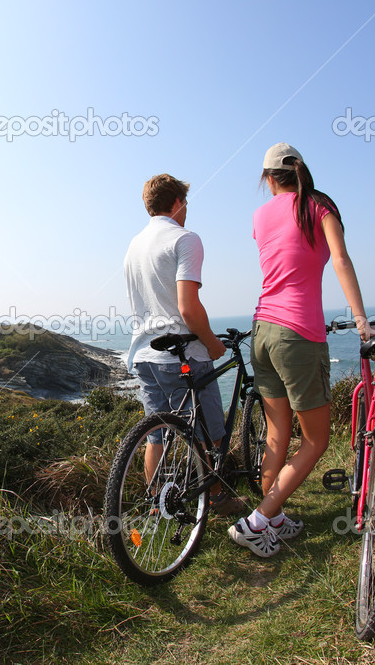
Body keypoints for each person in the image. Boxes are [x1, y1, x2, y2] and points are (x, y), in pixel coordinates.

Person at [228, 143, 375, 557]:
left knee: (277, 432)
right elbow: (341, 260)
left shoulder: (260, 216)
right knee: (316, 440)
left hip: (262, 330)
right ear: (299, 170)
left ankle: (273, 519)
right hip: (298, 333)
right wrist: (363, 322)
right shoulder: (318, 205)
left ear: (268, 178)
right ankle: (259, 520)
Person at [124, 173, 239, 516]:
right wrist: (213, 344)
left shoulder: (134, 245)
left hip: (145, 354)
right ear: (176, 202)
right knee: (210, 434)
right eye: (185, 202)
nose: (187, 209)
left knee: (156, 434)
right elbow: (188, 307)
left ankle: (158, 506)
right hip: (181, 354)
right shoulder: (185, 239)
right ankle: (218, 499)